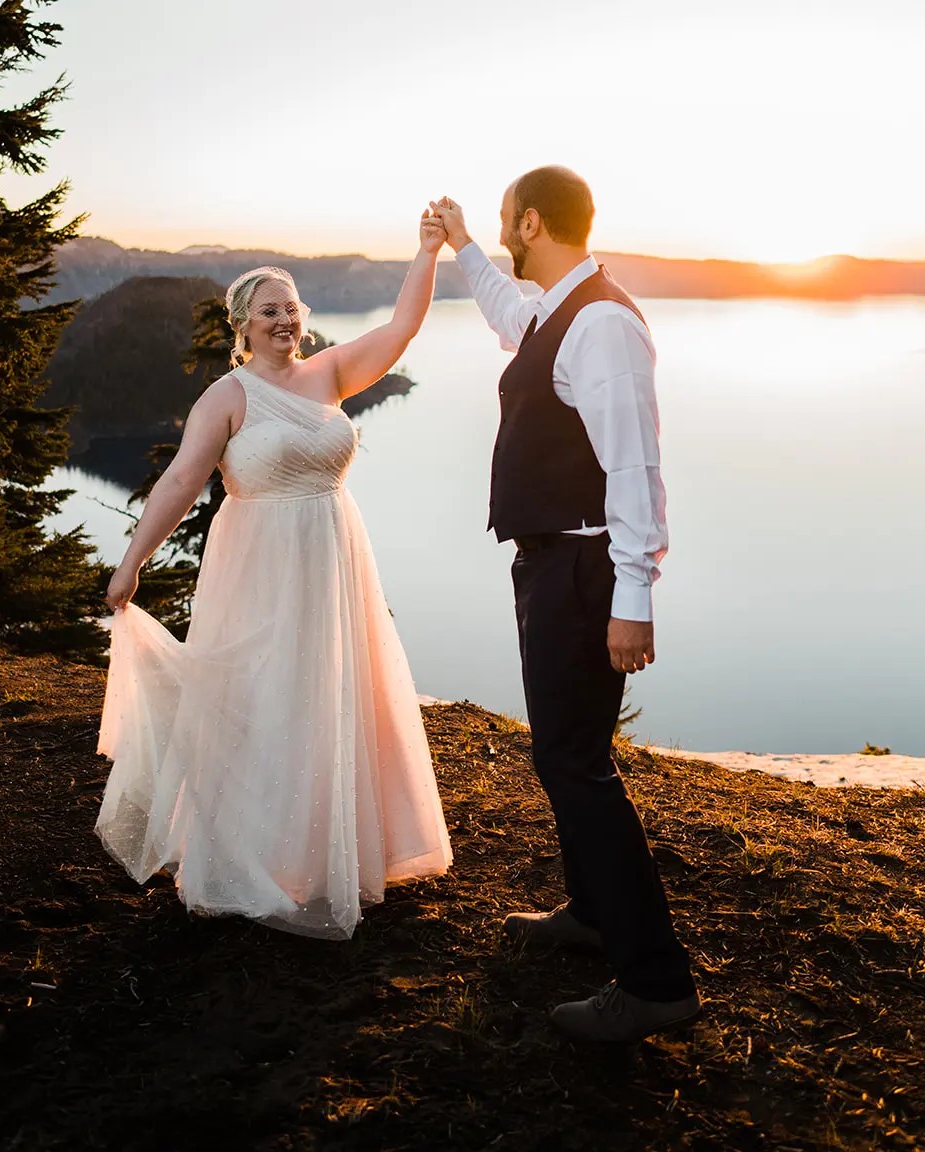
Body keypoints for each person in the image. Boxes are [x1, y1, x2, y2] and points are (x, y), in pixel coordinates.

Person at [95, 212, 453, 938]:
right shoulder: (226, 399)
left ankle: (336, 855)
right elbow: (177, 484)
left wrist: (426, 252)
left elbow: (402, 328)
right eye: (269, 311)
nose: (284, 319)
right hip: (257, 564)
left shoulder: (331, 373)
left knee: (332, 689)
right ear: (243, 325)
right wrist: (132, 562)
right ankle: (249, 856)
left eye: (291, 307)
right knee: (262, 695)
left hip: (331, 551)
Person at [430, 170, 699, 1043]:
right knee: (565, 756)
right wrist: (464, 243)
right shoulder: (557, 309)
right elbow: (509, 314)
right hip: (555, 568)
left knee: (576, 765)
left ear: (534, 221)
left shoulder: (605, 325)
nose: (506, 232)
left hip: (585, 575)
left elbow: (635, 473)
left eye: (507, 221)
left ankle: (655, 983)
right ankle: (589, 914)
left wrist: (632, 600)